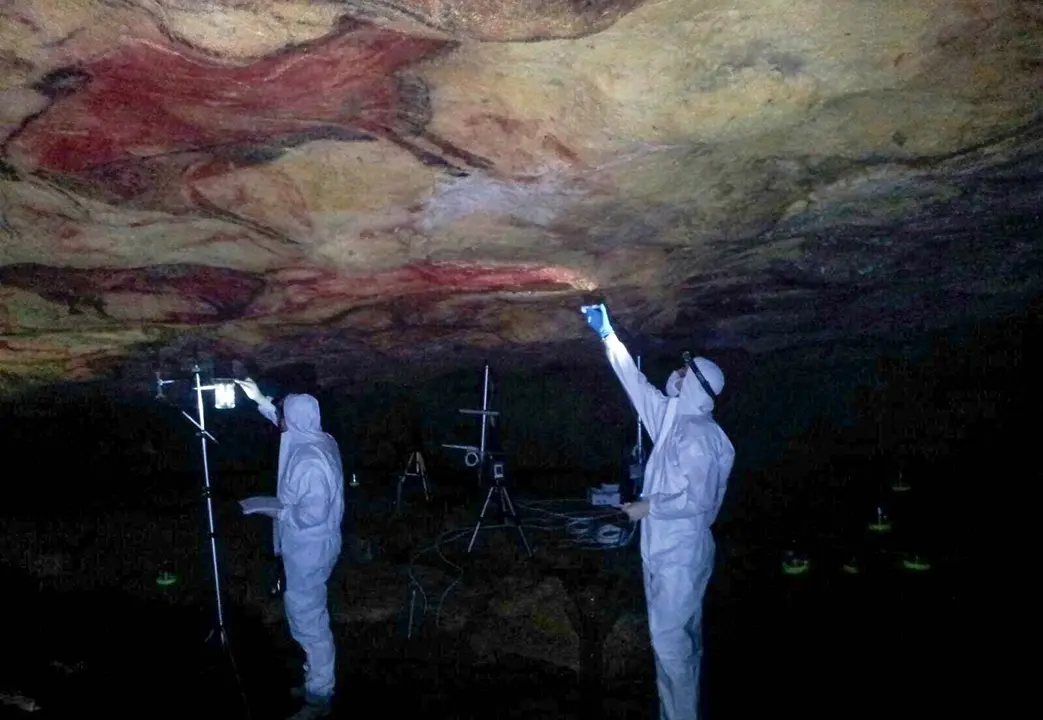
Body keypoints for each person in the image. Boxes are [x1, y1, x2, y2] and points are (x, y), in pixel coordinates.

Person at [580, 303, 735, 720]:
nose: (677, 375)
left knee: (671, 643)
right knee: (678, 641)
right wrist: (608, 337)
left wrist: (649, 507)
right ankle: (676, 712)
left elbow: (698, 501)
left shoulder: (700, 435)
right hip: (664, 550)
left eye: (685, 373)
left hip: (682, 555)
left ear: (697, 386)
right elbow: (635, 383)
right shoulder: (672, 419)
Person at [236, 379, 345, 720]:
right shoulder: (316, 438)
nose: (280, 421)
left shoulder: (310, 459)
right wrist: (259, 399)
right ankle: (316, 679)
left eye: (282, 415)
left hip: (310, 548)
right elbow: (284, 425)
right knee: (307, 614)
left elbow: (313, 514)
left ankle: (319, 695)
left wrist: (274, 509)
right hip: (308, 546)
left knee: (309, 621)